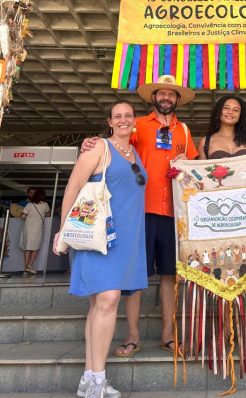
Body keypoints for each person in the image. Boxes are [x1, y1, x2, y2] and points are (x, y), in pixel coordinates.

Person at [81, 75, 197, 356]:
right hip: (137, 211)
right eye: (161, 93)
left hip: (174, 211)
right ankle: (133, 336)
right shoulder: (137, 125)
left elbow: (194, 168)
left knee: (170, 275)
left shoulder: (184, 130)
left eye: (171, 94)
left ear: (177, 99)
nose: (166, 98)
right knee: (134, 275)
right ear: (153, 98)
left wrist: (188, 165)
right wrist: (90, 143)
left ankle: (168, 335)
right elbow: (113, 145)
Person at [53, 100, 147, 398]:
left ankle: (89, 379)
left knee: (100, 306)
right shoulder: (98, 148)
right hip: (98, 237)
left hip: (126, 239)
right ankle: (97, 380)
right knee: (108, 299)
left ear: (135, 121)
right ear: (109, 121)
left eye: (128, 115)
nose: (123, 120)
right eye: (117, 116)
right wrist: (63, 231)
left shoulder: (133, 152)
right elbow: (72, 187)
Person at [197, 95, 246, 160]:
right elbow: (199, 166)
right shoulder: (205, 142)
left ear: (241, 116)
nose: (230, 112)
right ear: (218, 111)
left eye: (236, 110)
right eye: (226, 108)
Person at [19, 188, 50, 275]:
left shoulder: (29, 205)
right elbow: (48, 215)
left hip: (28, 227)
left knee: (27, 247)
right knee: (36, 247)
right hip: (38, 227)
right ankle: (30, 265)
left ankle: (26, 267)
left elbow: (23, 216)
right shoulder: (45, 204)